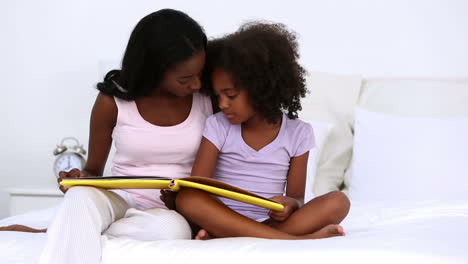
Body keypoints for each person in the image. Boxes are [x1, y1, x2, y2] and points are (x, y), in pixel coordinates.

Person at [0, 9, 212, 264]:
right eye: (185, 79)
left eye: (201, 73)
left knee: (171, 231)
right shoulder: (112, 101)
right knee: (81, 197)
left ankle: (57, 232)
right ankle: (71, 230)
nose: (197, 84)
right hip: (118, 198)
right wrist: (76, 180)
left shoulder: (209, 100)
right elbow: (93, 171)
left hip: (168, 210)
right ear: (154, 69)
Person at [175, 22, 351, 240]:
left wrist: (290, 204)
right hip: (221, 216)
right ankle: (294, 239)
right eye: (218, 95)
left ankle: (234, 236)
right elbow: (198, 185)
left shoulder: (298, 133)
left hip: (266, 221)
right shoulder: (218, 125)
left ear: (261, 88)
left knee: (338, 201)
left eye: (230, 95)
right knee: (187, 197)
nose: (222, 104)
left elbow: (297, 198)